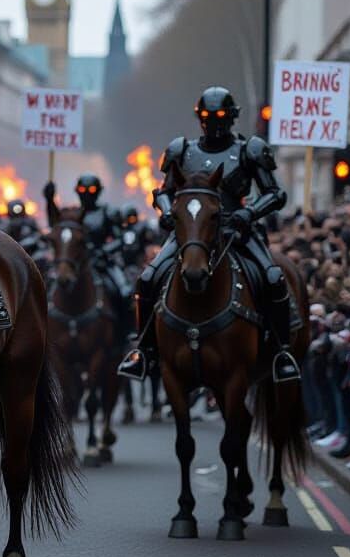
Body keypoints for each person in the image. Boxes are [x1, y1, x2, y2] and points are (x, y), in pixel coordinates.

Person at [118, 86, 300, 384]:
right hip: (192, 231)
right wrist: (166, 211)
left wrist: (249, 213)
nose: (213, 123)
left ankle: (281, 351)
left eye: (219, 117)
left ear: (231, 118)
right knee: (148, 278)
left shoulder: (249, 150)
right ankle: (144, 350)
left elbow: (275, 194)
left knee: (272, 277)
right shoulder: (182, 150)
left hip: (236, 229)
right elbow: (164, 191)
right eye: (207, 117)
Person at [45, 175, 134, 333]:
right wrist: (49, 200)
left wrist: (104, 251)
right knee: (44, 288)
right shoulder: (71, 214)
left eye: (91, 190)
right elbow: (55, 224)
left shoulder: (108, 212)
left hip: (103, 262)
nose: (86, 193)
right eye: (82, 190)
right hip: (76, 262)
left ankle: (127, 333)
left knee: (124, 291)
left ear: (98, 191)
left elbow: (121, 239)